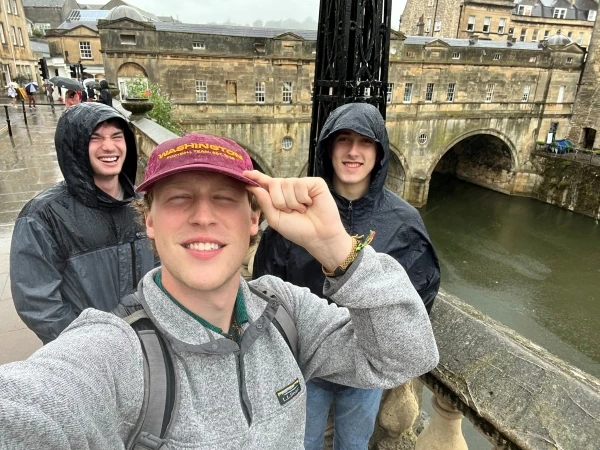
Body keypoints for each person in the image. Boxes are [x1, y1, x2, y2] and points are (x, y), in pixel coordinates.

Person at [0, 133, 438, 449]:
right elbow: (30, 410)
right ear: (149, 221)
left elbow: (406, 356)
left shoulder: (284, 311)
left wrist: (338, 250)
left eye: (225, 198)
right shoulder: (117, 352)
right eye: (179, 198)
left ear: (254, 220)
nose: (203, 216)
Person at [253, 102, 441, 450]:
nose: (353, 152)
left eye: (365, 142)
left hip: (366, 365)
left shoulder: (403, 222)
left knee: (354, 442)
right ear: (328, 147)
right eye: (343, 140)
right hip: (308, 360)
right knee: (303, 440)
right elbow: (267, 283)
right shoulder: (294, 214)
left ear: (379, 152)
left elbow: (420, 294)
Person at [10, 102, 156, 344]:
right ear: (75, 147)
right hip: (90, 354)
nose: (109, 147)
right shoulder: (44, 216)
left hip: (149, 347)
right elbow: (38, 304)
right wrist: (89, 347)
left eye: (117, 136)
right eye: (95, 138)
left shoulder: (145, 203)